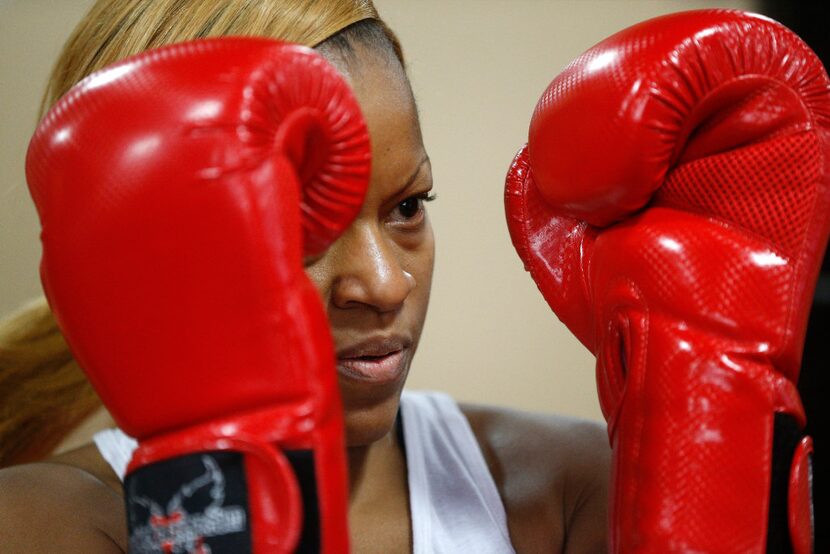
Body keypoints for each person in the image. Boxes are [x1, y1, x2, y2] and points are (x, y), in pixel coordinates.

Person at [0, 1, 610, 552]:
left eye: (406, 207)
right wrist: (212, 513)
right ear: (141, 252)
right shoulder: (41, 523)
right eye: (299, 227)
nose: (385, 285)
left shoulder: (567, 487)